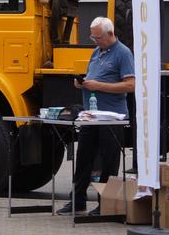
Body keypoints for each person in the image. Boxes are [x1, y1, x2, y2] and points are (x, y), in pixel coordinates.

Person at [57, 17, 135, 216]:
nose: (95, 40)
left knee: (109, 161)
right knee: (83, 158)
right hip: (91, 116)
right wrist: (82, 83)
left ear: (110, 34)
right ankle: (78, 201)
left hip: (111, 117)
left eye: (98, 37)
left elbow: (130, 85)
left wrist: (98, 86)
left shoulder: (123, 53)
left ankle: (106, 204)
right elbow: (93, 77)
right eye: (93, 37)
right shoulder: (96, 52)